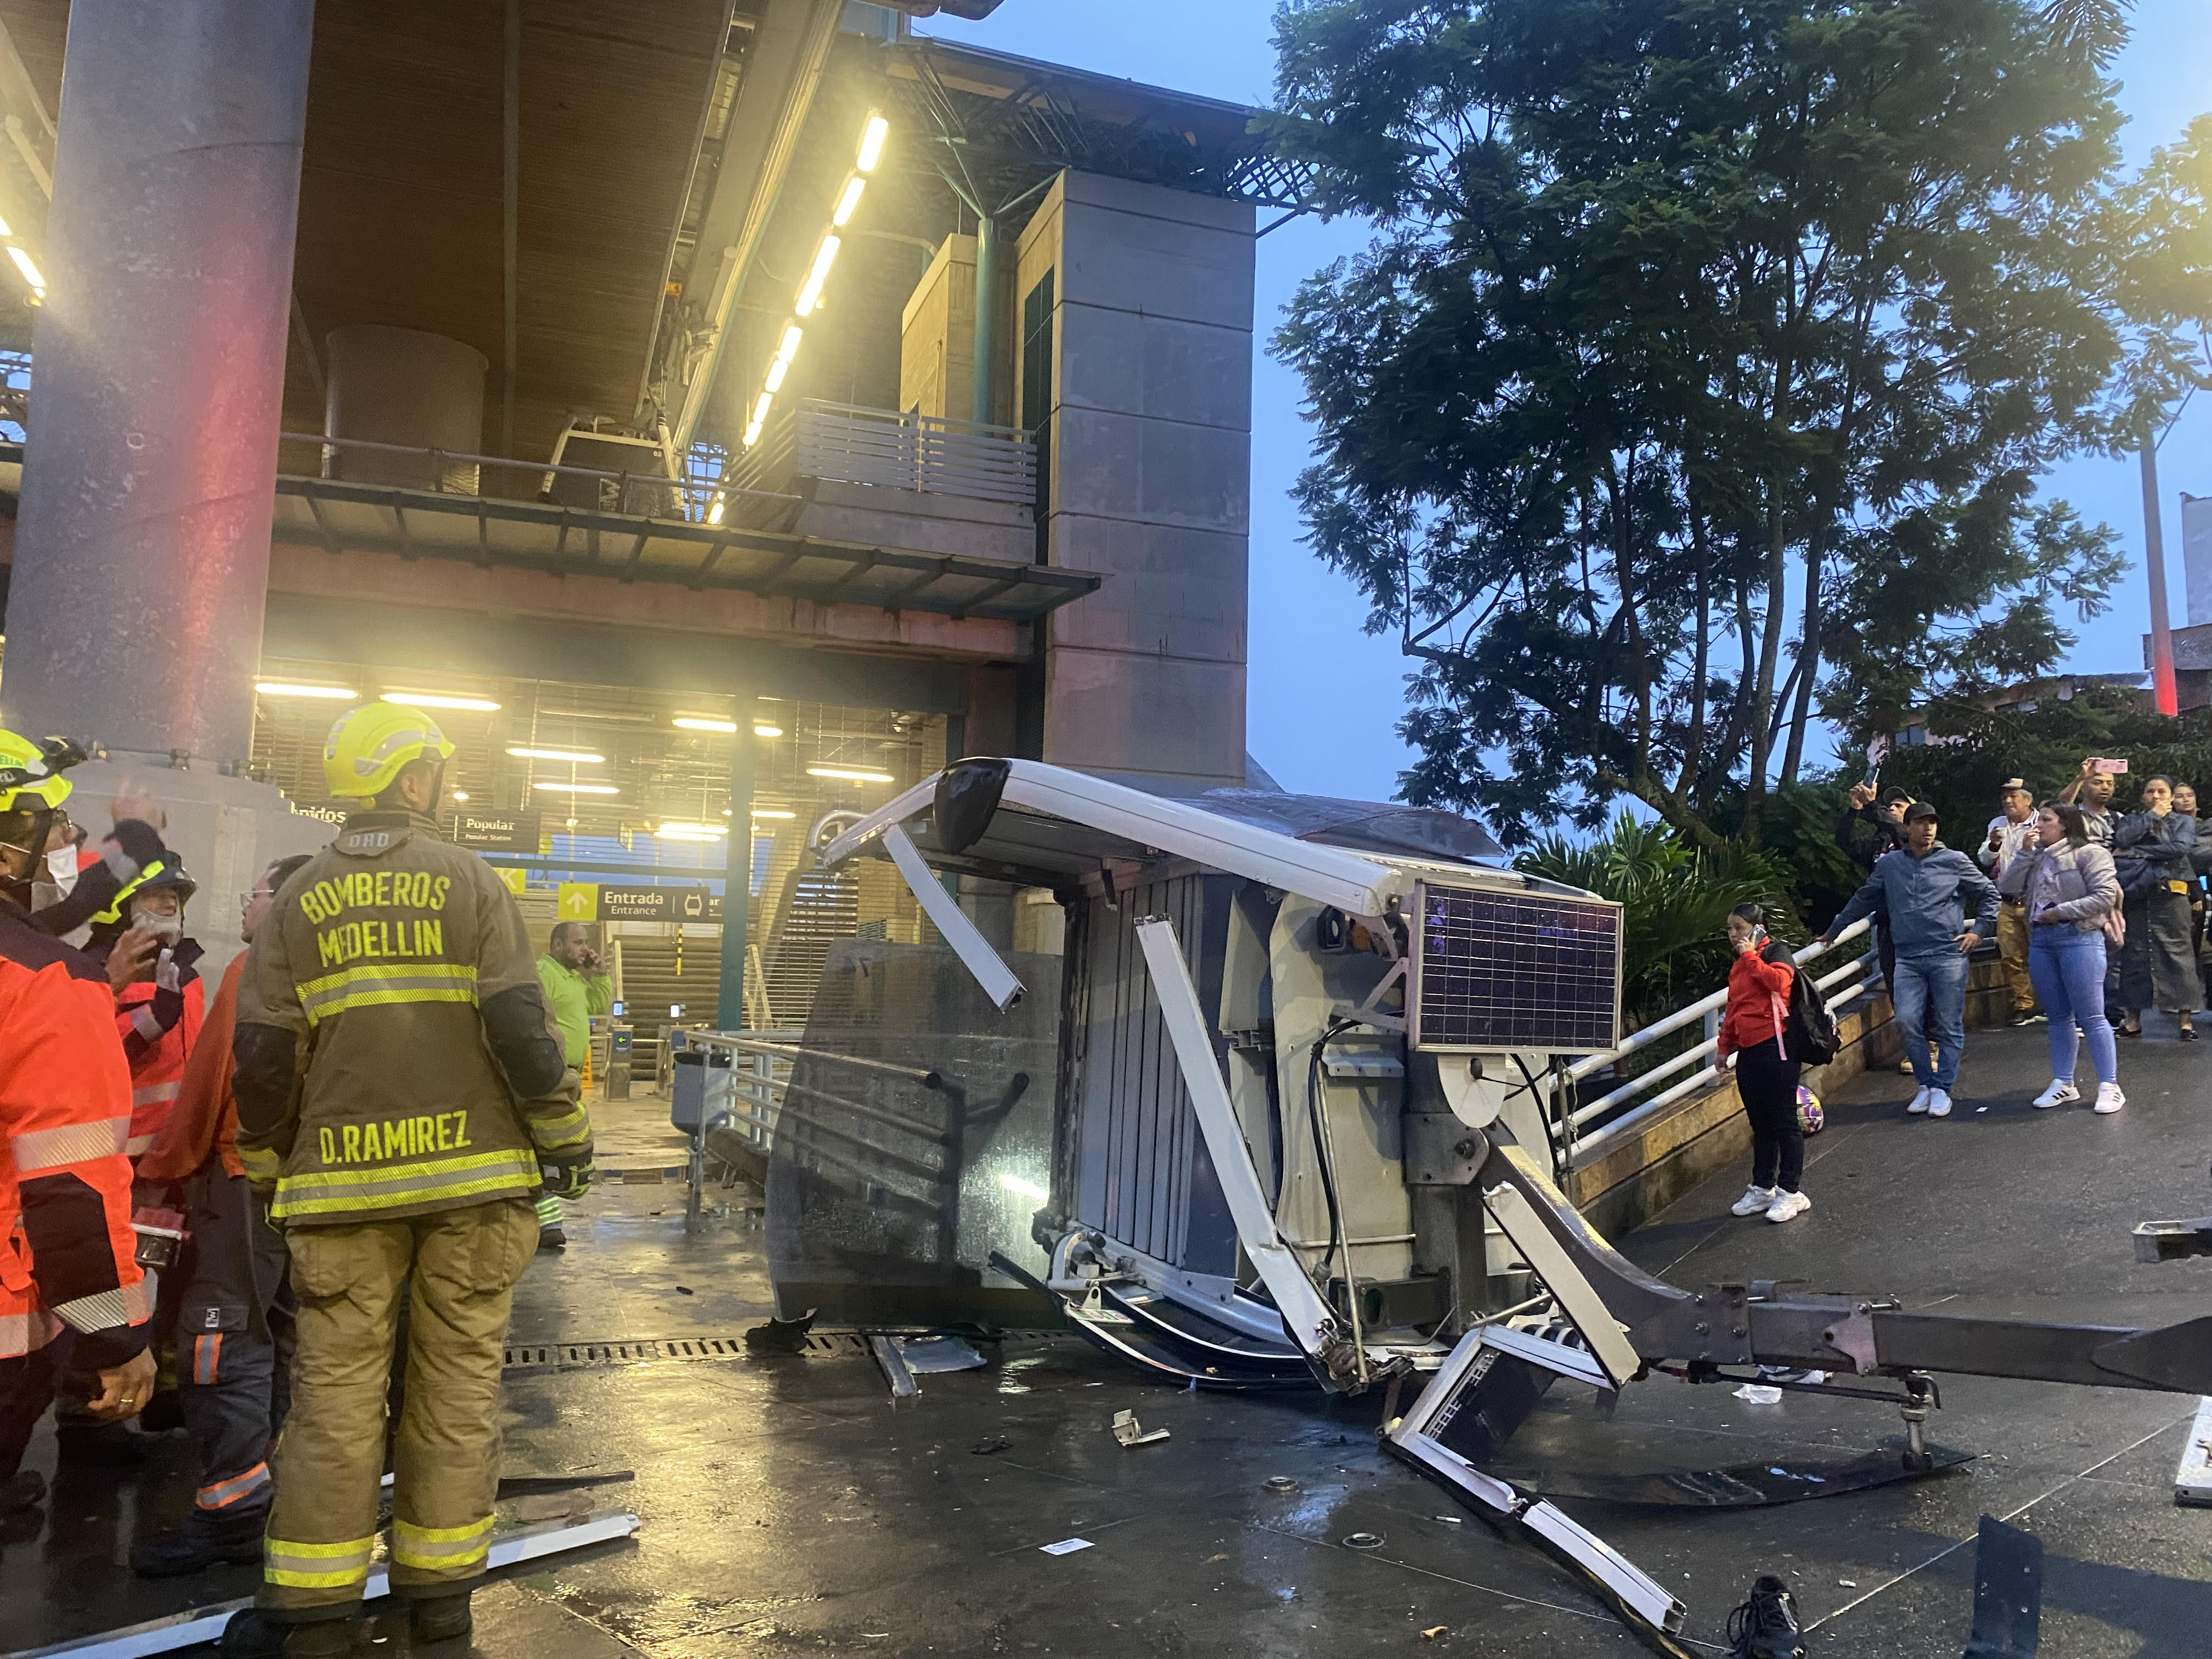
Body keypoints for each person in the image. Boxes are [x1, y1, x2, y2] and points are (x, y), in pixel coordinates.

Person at [228, 704, 591, 1657]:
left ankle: (313, 1609)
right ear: (416, 779)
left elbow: (262, 1057)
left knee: (334, 1396)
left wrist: (266, 1164)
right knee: (457, 1386)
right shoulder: (472, 882)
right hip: (474, 1191)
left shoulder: (298, 899)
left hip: (341, 1196)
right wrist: (566, 1136)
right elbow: (522, 1033)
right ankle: (440, 1599)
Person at [128, 853, 315, 1576]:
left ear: (283, 901)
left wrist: (163, 1172)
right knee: (286, 1336)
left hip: (240, 1178)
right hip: (314, 1184)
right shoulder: (345, 972)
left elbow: (211, 1084)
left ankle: (232, 1512)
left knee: (223, 1340)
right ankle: (277, 1490)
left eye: (254, 892)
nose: (244, 905)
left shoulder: (255, 968)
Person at [0, 730, 159, 1514]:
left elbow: (65, 905)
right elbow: (70, 1183)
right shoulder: (45, 982)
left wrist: (136, 840)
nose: (69, 842)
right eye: (59, 826)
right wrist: (114, 1337)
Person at [1820, 801, 1998, 1118]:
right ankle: (1926, 1084)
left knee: (1949, 1025)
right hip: (1908, 957)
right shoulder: (1890, 865)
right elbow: (1865, 897)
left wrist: (1979, 931)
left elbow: (1989, 894)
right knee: (1906, 1021)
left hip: (1948, 954)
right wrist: (1834, 930)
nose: (1928, 828)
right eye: (1921, 823)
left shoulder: (1954, 860)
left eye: (1932, 823)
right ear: (1907, 828)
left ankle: (1942, 1088)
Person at [2002, 802, 2124, 1114]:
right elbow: (2008, 887)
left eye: (2046, 820)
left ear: (2066, 824)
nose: (2038, 825)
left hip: (2080, 937)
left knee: (2092, 1015)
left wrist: (2060, 912)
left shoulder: (2091, 853)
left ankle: (2110, 1085)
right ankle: (2064, 1082)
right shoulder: (2037, 856)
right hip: (2042, 941)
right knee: (2057, 1017)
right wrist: (2024, 854)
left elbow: (2104, 896)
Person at [86, 862, 206, 1158]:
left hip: (177, 1147)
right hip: (119, 1149)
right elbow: (81, 1054)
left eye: (175, 895)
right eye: (155, 893)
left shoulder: (186, 974)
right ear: (120, 905)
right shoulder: (91, 971)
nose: (170, 902)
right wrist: (153, 1019)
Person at [1717, 904, 1810, 1224]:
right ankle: (1762, 1187)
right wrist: (1724, 1047)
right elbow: (1734, 1007)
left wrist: (1750, 956)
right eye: (1730, 929)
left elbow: (1779, 983)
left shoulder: (1775, 952)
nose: (1733, 935)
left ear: (1758, 928)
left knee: (1784, 1120)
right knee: (1760, 1122)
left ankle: (1791, 1191)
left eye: (1739, 928)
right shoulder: (1739, 965)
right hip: (1749, 1049)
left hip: (1778, 1045)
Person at [533, 921, 612, 1250]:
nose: (585, 949)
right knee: (546, 1145)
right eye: (578, 943)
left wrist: (600, 976)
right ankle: (545, 1222)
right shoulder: (544, 975)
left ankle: (549, 1221)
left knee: (561, 1145)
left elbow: (598, 1007)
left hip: (570, 1075)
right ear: (557, 945)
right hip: (553, 1073)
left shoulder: (573, 978)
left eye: (586, 942)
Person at [2112, 774, 2198, 1039]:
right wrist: (2151, 817)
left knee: (2178, 954)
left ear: (2171, 796)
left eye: (2162, 791)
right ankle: (2133, 1020)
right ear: (2143, 796)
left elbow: (2180, 848)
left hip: (2172, 895)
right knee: (2135, 954)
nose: (2156, 796)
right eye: (2151, 791)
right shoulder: (2131, 820)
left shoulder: (2183, 821)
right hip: (2138, 895)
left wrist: (2139, 853)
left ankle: (2185, 1022)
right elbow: (2122, 840)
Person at [1979, 777, 2042, 1026]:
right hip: (2006, 901)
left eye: (2014, 796)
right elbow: (1984, 860)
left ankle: (2052, 1002)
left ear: (2028, 800)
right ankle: (2024, 1005)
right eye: (2005, 797)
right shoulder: (1997, 824)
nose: (2008, 801)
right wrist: (1994, 844)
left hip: (2036, 900)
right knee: (2011, 957)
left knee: (2043, 953)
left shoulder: (2042, 822)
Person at [2058, 758, 2120, 845]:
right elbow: (2059, 806)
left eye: (2110, 784)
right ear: (2083, 787)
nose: (2105, 787)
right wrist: (2080, 779)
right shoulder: (2074, 814)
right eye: (2098, 783)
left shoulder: (2118, 818)